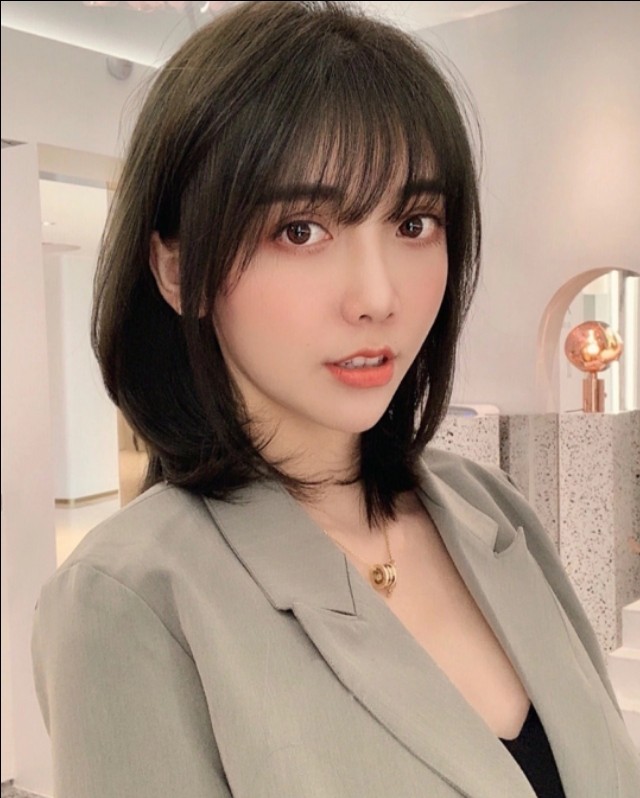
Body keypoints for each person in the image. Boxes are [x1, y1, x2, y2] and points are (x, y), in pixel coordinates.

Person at [31, 2, 639, 796]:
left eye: (414, 222)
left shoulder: (490, 508)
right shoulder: (129, 601)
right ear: (179, 271)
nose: (378, 297)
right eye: (301, 231)